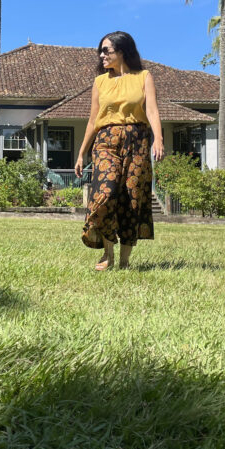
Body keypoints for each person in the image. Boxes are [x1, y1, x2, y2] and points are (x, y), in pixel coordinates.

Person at [74, 31, 164, 270]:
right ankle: (107, 253)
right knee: (106, 190)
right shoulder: (100, 82)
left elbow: (152, 111)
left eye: (107, 50)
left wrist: (159, 139)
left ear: (122, 52)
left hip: (137, 140)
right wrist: (82, 152)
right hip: (106, 140)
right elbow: (93, 120)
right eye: (100, 51)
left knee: (132, 198)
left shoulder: (144, 77)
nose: (101, 55)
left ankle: (123, 261)